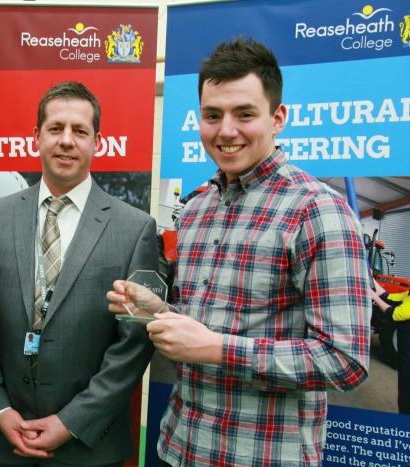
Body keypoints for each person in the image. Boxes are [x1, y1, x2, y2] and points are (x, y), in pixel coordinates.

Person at [108, 37, 371, 466]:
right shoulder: (196, 209)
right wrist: (159, 311)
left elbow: (345, 360)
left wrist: (217, 349)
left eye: (244, 114)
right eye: (213, 115)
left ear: (278, 117)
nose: (226, 130)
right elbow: (207, 322)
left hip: (263, 456)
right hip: (181, 447)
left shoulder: (318, 211)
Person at [0, 81, 159, 466]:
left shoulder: (134, 228)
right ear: (36, 136)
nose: (67, 140)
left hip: (88, 446)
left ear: (97, 141)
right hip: (5, 444)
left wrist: (71, 422)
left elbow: (133, 344)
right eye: (55, 128)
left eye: (80, 131)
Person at [370, 278, 410, 414]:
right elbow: (389, 297)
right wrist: (371, 280)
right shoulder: (408, 294)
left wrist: (373, 295)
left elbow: (395, 314)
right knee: (404, 388)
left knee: (407, 392)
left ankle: (404, 426)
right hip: (405, 353)